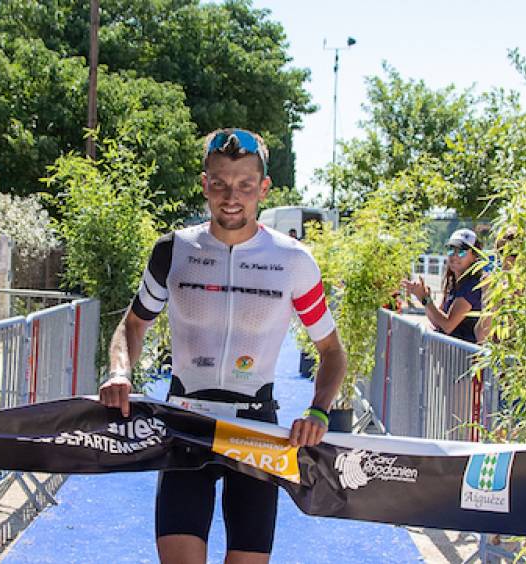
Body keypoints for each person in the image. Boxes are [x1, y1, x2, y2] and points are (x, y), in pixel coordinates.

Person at [98, 128, 347, 564]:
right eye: (220, 183)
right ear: (204, 183)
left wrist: (319, 409)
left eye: (245, 185)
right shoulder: (173, 250)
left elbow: (331, 351)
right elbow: (134, 324)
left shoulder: (293, 261)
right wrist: (120, 370)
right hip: (184, 424)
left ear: (264, 188)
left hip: (257, 432)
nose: (231, 197)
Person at [402, 228, 483, 343]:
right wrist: (424, 298)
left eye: (461, 252)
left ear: (475, 257)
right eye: (451, 250)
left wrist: (426, 300)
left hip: (464, 357)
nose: (454, 256)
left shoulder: (472, 286)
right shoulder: (455, 284)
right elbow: (437, 321)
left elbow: (448, 325)